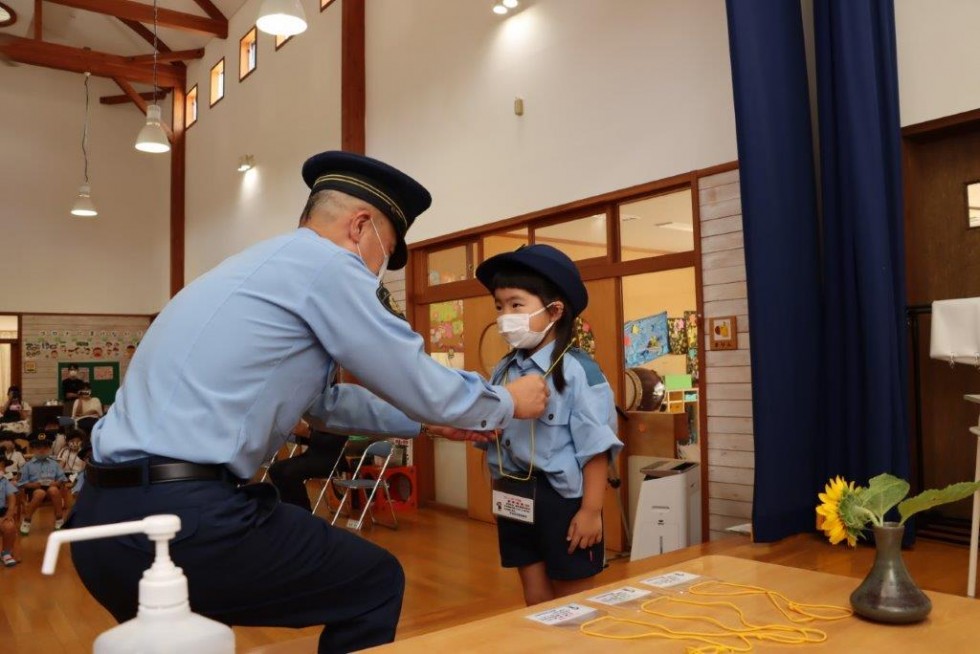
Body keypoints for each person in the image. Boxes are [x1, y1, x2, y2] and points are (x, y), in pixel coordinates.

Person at [69, 150, 548, 654]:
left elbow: (323, 403)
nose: (377, 271)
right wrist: (505, 401)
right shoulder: (328, 267)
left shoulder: (253, 267)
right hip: (183, 514)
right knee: (372, 582)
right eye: (383, 254)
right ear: (361, 226)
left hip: (102, 516)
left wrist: (431, 425)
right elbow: (411, 374)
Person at [473, 244, 623, 606]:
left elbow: (596, 450)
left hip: (563, 501)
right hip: (513, 494)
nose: (505, 315)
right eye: (499, 306)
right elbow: (493, 435)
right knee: (536, 599)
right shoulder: (503, 369)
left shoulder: (578, 371)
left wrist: (590, 511)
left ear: (554, 310)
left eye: (516, 304)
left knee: (572, 605)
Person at [268, 418, 355, 513]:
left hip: (330, 461)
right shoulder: (321, 416)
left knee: (289, 472)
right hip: (312, 456)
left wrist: (308, 433)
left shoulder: (342, 418)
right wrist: (296, 432)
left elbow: (333, 443)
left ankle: (304, 513)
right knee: (275, 469)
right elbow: (310, 441)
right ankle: (290, 510)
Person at [17, 432, 68, 534]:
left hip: (52, 489)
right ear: (32, 449)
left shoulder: (54, 464)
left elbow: (62, 479)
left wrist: (56, 483)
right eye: (38, 448)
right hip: (34, 490)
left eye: (45, 447)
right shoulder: (28, 465)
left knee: (53, 490)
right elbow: (22, 484)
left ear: (50, 449)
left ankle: (59, 519)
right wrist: (33, 485)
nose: (42, 450)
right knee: (40, 493)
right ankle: (27, 520)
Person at [0, 456, 19, 566]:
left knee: (9, 527)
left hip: (2, 512)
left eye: (2, 466)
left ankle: (6, 553)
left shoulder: (4, 481)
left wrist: (10, 512)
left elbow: (11, 496)